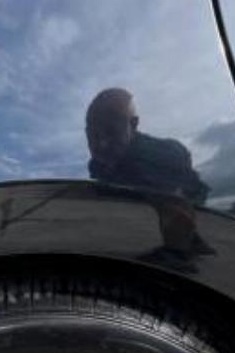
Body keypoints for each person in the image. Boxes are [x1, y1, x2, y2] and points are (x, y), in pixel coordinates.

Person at [85, 88, 213, 266]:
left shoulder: (158, 155)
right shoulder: (98, 163)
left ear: (134, 124)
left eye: (111, 132)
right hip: (152, 193)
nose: (101, 144)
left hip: (187, 191)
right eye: (93, 135)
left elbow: (179, 198)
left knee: (167, 199)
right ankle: (192, 243)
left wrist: (176, 244)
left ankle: (178, 254)